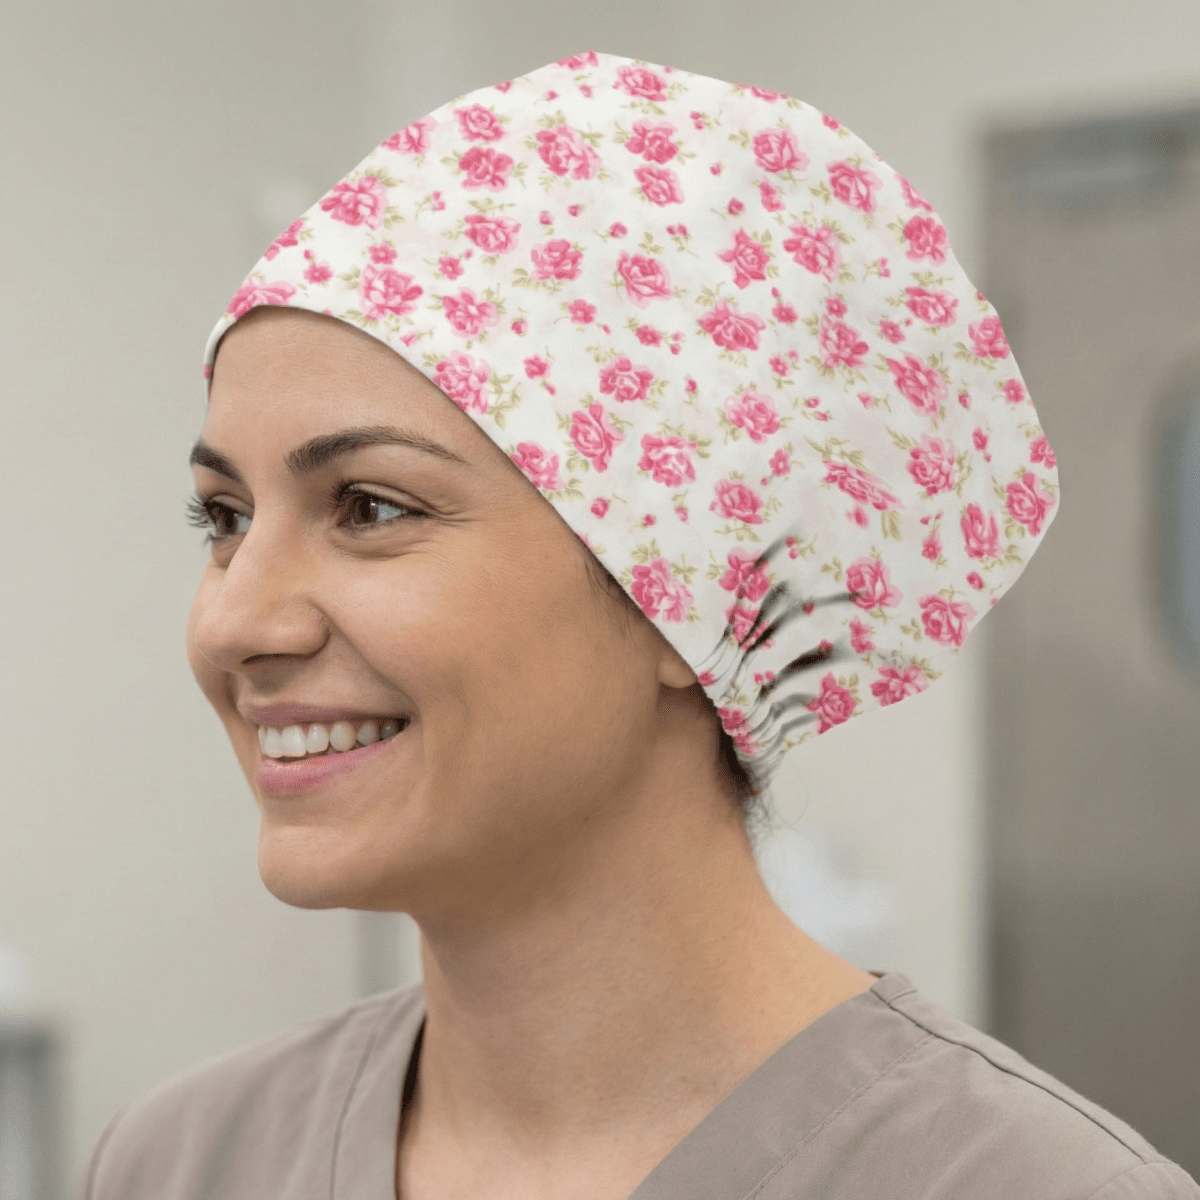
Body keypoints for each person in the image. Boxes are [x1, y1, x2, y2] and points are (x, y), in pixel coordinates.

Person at [84, 52, 1196, 1200]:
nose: (234, 621)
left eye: (371, 508)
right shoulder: (182, 1158)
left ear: (699, 588)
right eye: (223, 517)